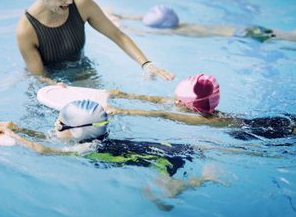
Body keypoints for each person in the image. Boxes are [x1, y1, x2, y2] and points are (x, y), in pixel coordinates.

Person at [0, 100, 237, 201]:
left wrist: (12, 135)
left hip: (165, 160)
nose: (55, 125)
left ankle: (205, 177)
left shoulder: (84, 149)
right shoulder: (91, 137)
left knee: (165, 195)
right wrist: (20, 127)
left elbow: (42, 150)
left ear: (77, 131)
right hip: (168, 147)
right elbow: (49, 137)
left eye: (60, 122)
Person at [16, 0, 175, 85]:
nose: (69, 1)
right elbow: (40, 76)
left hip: (82, 69)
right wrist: (58, 87)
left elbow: (117, 35)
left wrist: (146, 64)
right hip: (49, 80)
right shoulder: (26, 30)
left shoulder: (82, 4)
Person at [106, 74, 296, 141]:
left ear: (189, 105)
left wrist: (125, 111)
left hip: (256, 131)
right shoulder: (197, 107)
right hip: (256, 121)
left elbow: (163, 114)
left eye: (179, 100)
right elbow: (160, 101)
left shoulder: (200, 118)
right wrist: (126, 95)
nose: (175, 101)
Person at [107, 5, 296, 42]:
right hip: (246, 29)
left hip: (245, 35)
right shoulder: (180, 24)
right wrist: (122, 15)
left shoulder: (174, 32)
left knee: (287, 39)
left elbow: (146, 33)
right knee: (287, 35)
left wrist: (120, 26)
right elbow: (146, 20)